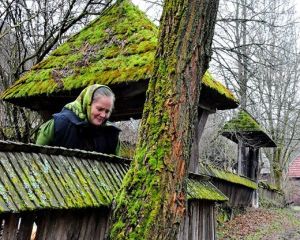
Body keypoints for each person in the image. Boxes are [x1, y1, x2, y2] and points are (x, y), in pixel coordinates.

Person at [36, 84, 120, 155]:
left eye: (107, 111)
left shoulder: (111, 134)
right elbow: (37, 158)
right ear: (88, 104)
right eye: (99, 109)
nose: (103, 115)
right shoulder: (59, 125)